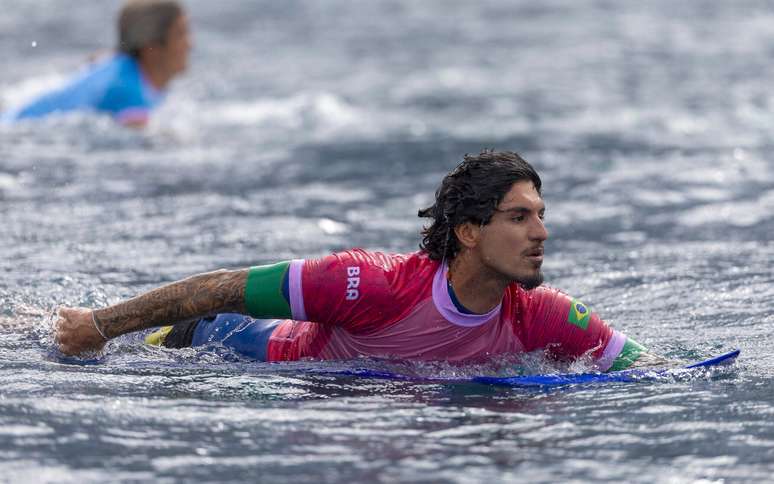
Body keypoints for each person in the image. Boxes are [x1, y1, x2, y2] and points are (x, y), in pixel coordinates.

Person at [55, 150, 666, 371]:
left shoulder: (546, 317)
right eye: (519, 217)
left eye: (541, 214)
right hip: (221, 346)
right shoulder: (366, 283)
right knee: (44, 332)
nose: (542, 232)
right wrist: (99, 326)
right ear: (470, 233)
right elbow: (222, 288)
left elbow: (657, 372)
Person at [3, 0, 190, 127]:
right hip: (18, 129)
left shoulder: (123, 67)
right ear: (151, 47)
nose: (190, 44)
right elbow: (141, 137)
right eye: (180, 34)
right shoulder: (127, 91)